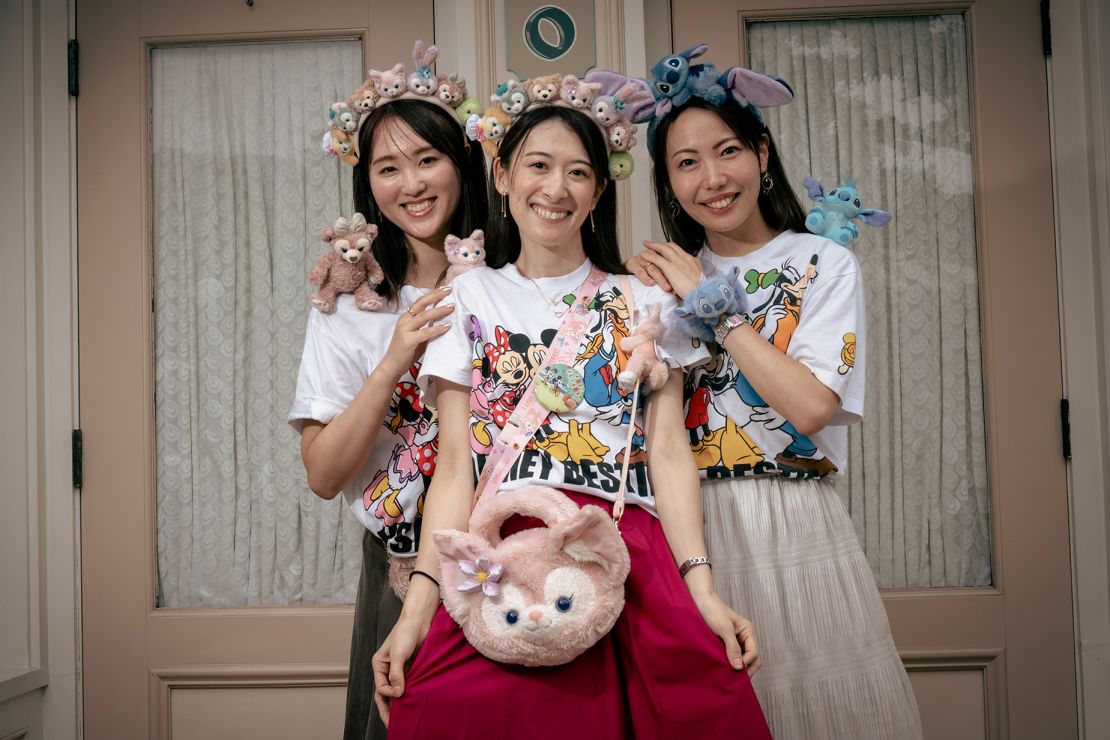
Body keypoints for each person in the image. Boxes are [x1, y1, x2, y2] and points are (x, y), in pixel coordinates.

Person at [371, 89, 772, 739]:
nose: (556, 187)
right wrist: (416, 613)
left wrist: (702, 590)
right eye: (537, 165)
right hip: (499, 547)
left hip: (623, 544)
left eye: (578, 171)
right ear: (501, 175)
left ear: (597, 191)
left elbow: (668, 454)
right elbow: (453, 469)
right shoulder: (464, 297)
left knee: (697, 710)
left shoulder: (647, 299)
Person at [627, 53, 923, 740]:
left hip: (792, 517)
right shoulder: (656, 277)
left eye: (728, 151)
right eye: (687, 163)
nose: (713, 178)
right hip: (685, 526)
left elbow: (814, 406)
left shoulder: (819, 262)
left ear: (762, 152)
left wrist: (718, 312)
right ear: (668, 181)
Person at [288, 43, 488, 740]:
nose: (413, 183)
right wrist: (395, 358)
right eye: (388, 167)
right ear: (365, 185)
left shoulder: (512, 285)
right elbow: (322, 474)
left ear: (462, 162)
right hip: (400, 560)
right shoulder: (349, 309)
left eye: (428, 159)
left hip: (516, 544)